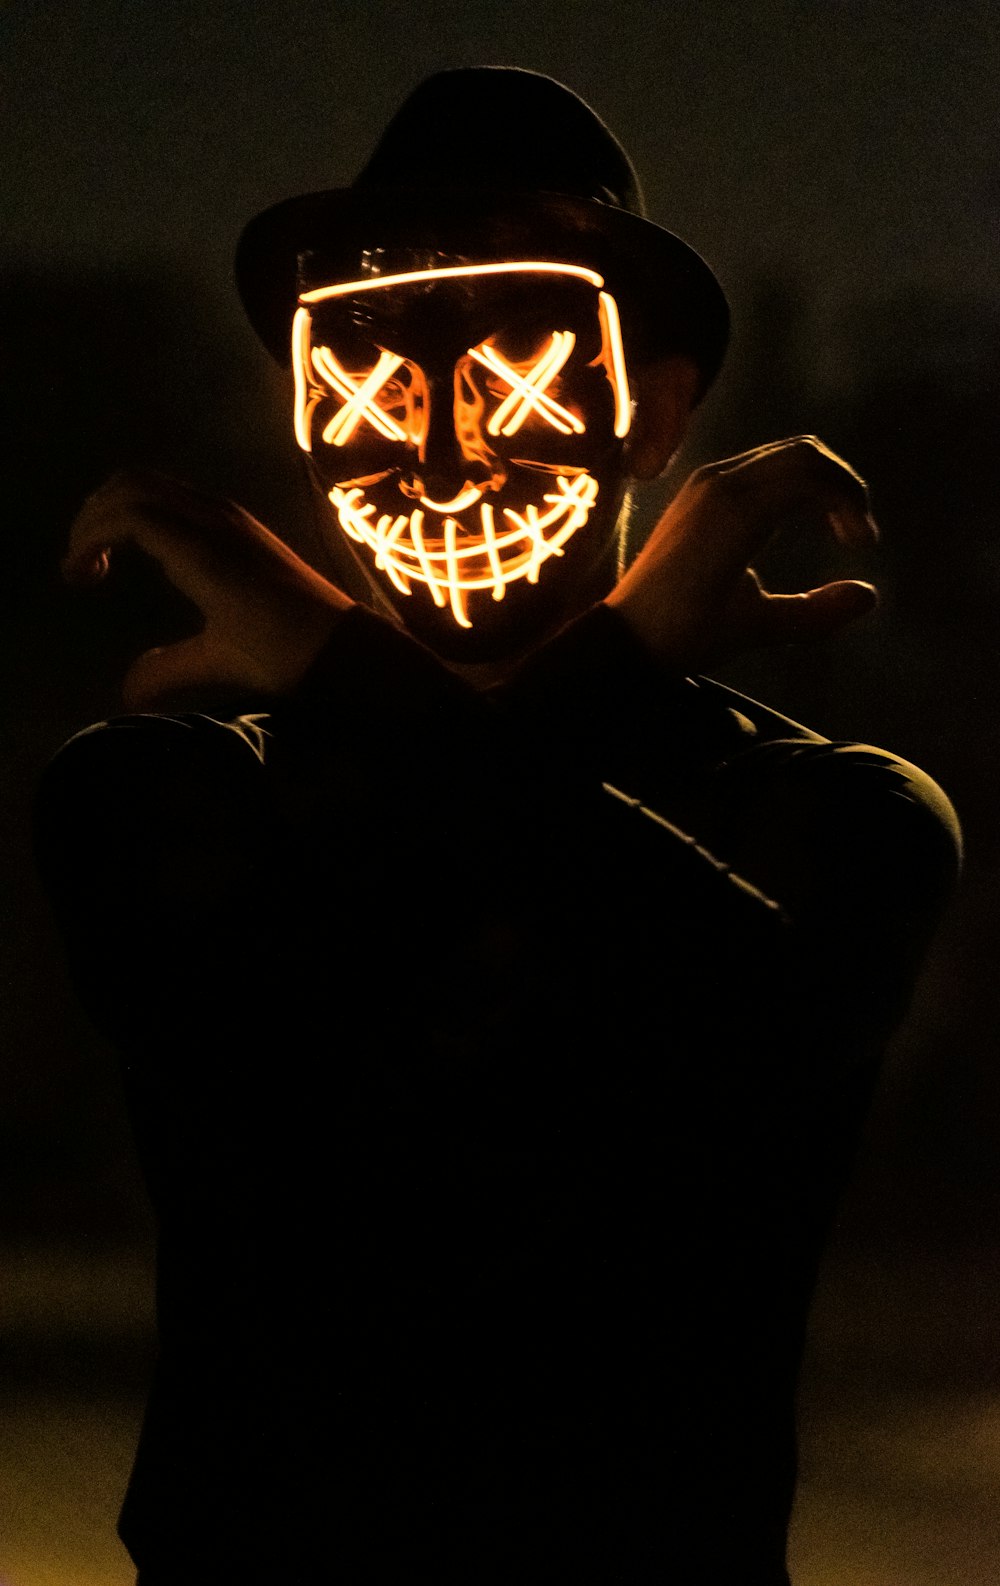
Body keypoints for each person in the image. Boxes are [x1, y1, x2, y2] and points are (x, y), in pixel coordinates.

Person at [35, 68, 960, 1586]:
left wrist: (336, 666)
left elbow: (743, 1037)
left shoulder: (838, 813)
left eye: (514, 367)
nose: (453, 457)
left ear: (653, 412)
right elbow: (241, 1040)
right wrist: (598, 674)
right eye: (378, 379)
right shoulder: (152, 796)